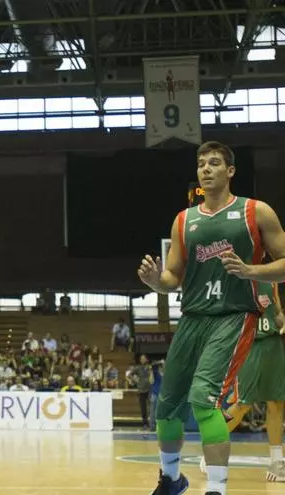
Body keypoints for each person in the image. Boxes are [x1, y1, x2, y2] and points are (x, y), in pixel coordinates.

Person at [137, 140, 285, 495]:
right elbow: (173, 277)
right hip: (192, 317)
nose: (206, 168)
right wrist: (157, 282)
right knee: (167, 405)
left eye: (215, 162)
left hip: (234, 315)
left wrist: (250, 271)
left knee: (204, 398)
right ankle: (171, 480)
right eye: (201, 162)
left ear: (230, 171)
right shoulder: (184, 220)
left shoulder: (256, 212)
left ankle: (216, 489)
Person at [199, 282, 285, 481]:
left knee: (276, 402)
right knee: (243, 404)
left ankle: (277, 462)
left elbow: (277, 313)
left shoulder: (271, 280)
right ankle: (211, 450)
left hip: (273, 345)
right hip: (249, 346)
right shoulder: (237, 279)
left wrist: (281, 319)